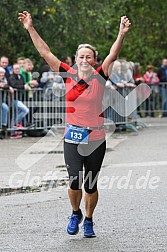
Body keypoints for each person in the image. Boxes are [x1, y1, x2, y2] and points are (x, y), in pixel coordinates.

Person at [18, 11, 131, 237]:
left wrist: (121, 33)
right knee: (74, 182)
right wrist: (30, 28)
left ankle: (88, 220)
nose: (85, 60)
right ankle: (75, 213)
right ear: (76, 58)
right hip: (73, 137)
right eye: (81, 56)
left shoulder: (100, 76)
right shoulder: (68, 75)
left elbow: (113, 54)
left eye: (89, 56)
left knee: (90, 184)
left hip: (96, 139)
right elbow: (45, 52)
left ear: (94, 60)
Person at [8, 63, 30, 138]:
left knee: (15, 115)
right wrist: (23, 87)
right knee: (25, 110)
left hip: (19, 97)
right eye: (15, 69)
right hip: (13, 98)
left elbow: (23, 84)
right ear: (13, 70)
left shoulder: (21, 77)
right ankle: (16, 123)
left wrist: (26, 86)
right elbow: (13, 85)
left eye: (18, 68)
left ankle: (12, 132)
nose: (17, 70)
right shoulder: (11, 77)